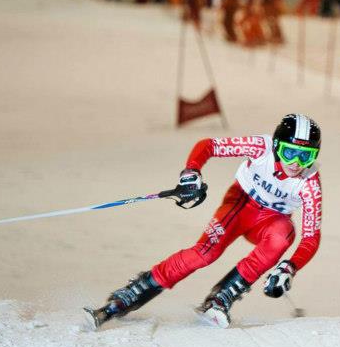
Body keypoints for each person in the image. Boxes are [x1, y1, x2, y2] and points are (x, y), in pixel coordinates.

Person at [86, 114, 324, 330]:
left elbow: (311, 237)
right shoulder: (261, 147)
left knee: (284, 234)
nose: (296, 163)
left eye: (306, 156)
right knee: (205, 254)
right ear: (275, 146)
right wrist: (192, 172)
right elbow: (208, 146)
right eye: (288, 152)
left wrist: (289, 267)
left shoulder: (310, 182)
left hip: (269, 222)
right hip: (240, 206)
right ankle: (134, 292)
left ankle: (221, 298)